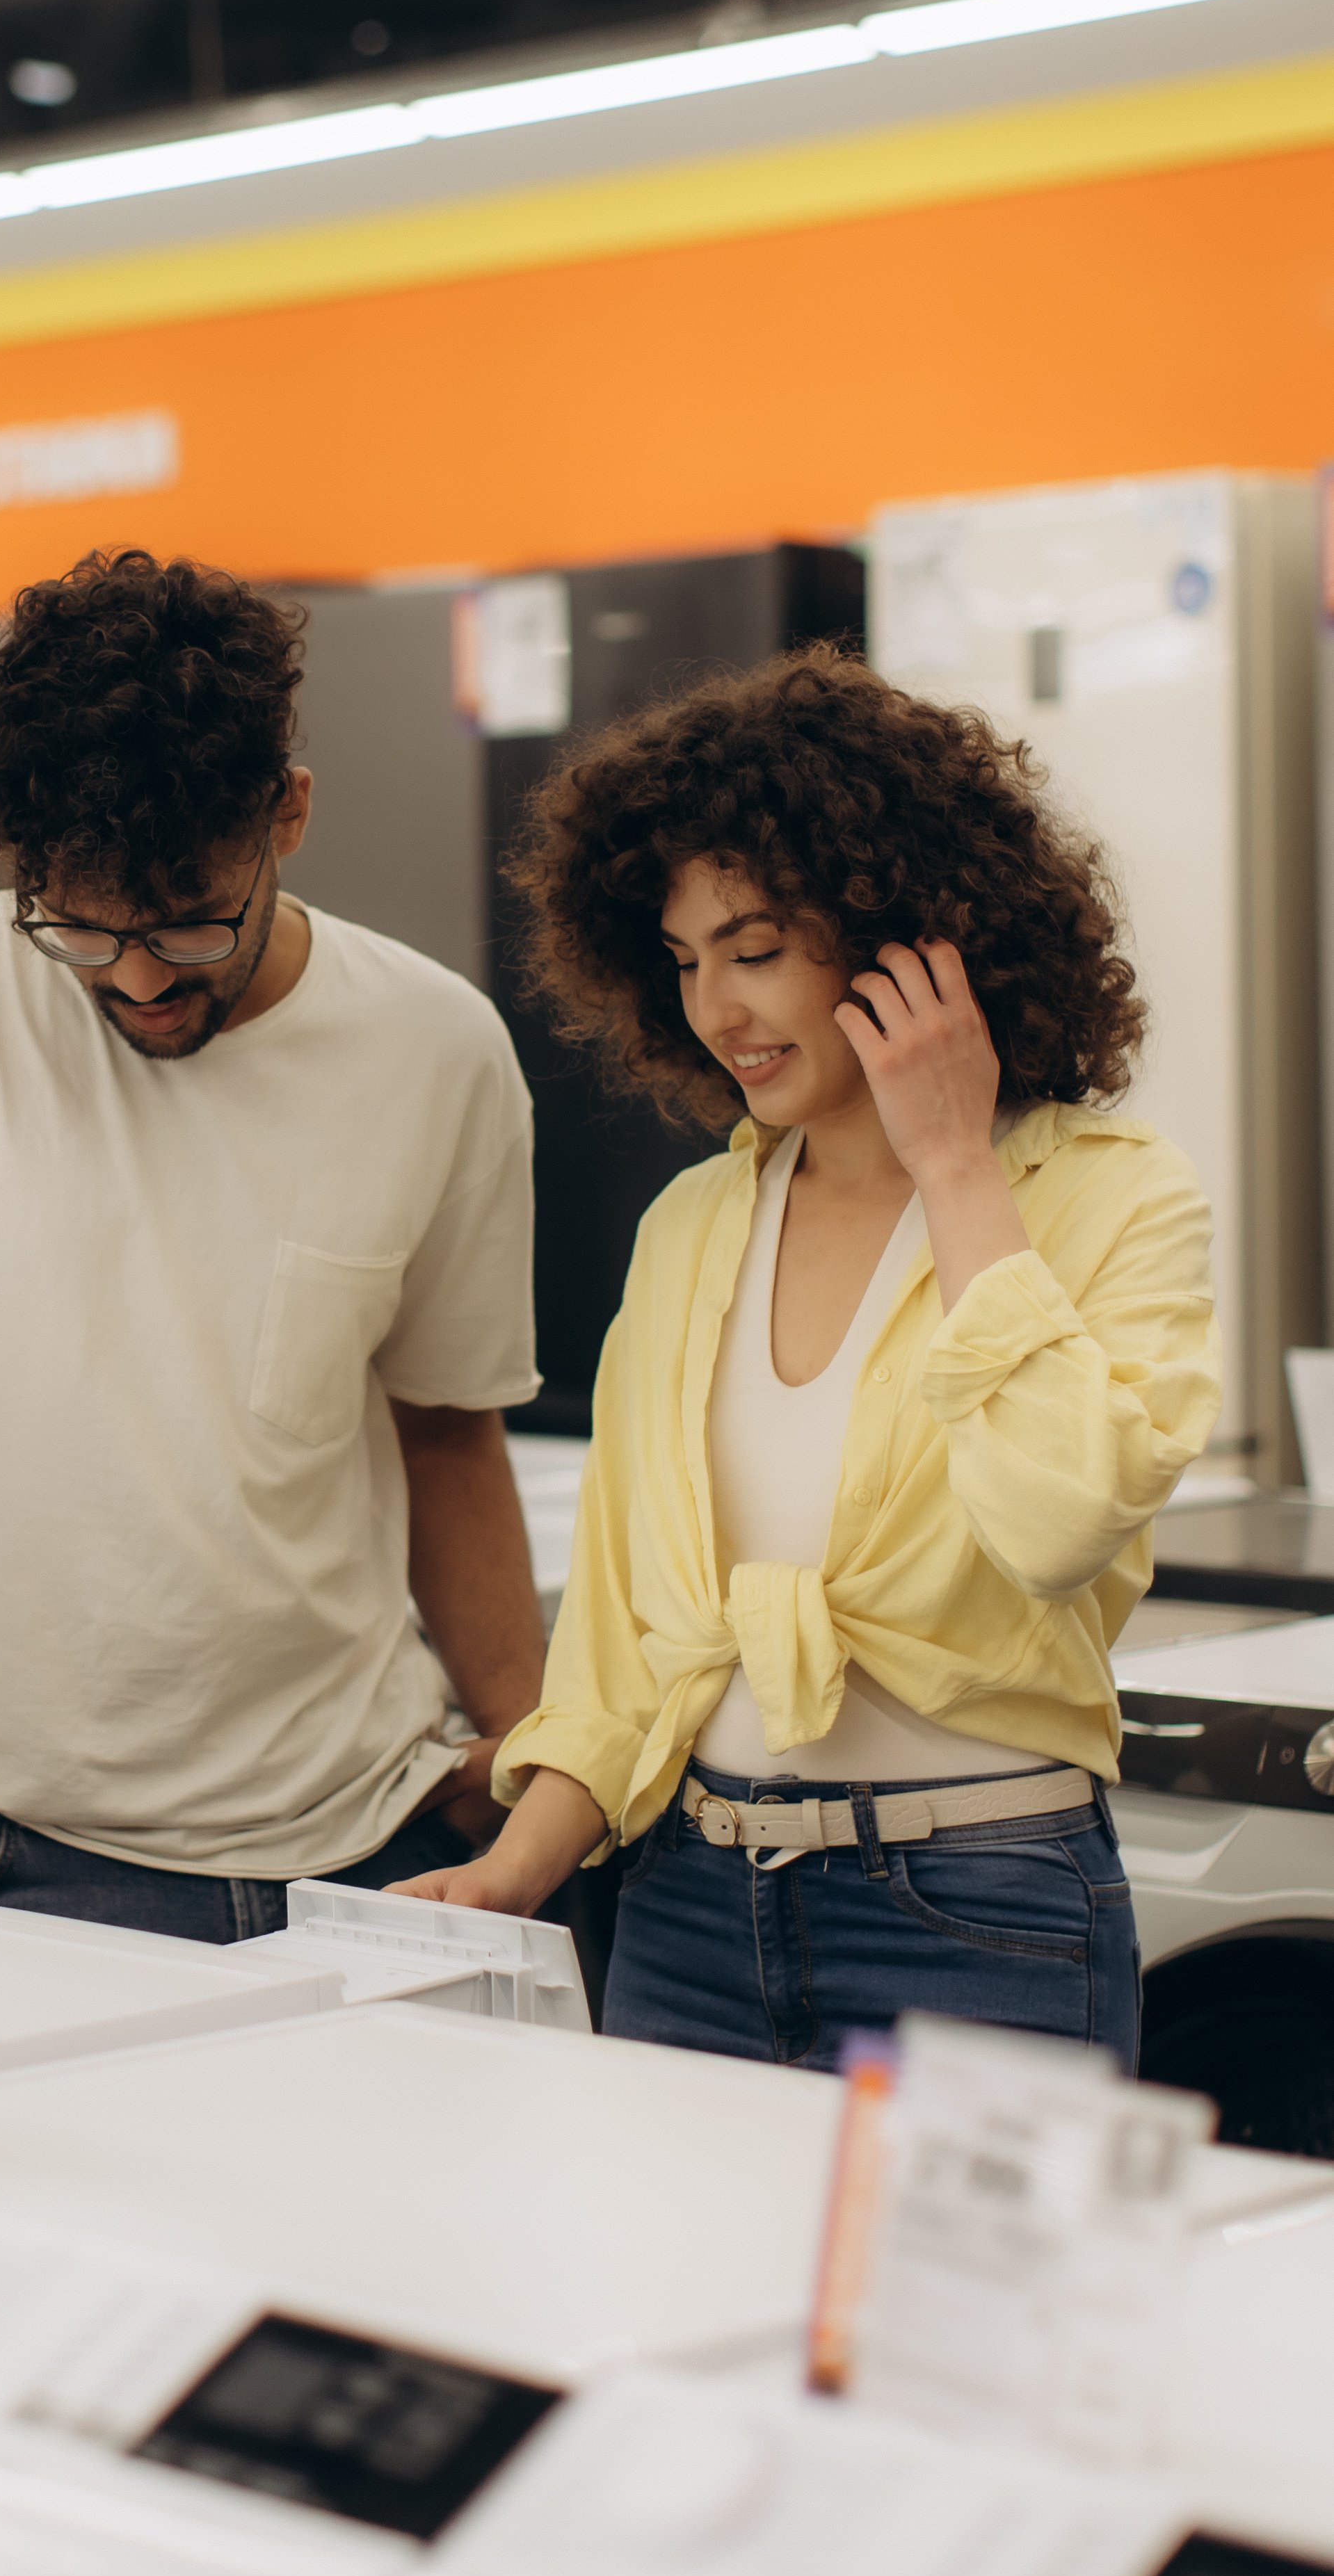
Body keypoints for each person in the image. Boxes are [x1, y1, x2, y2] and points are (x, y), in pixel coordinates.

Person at [0, 549, 547, 1939]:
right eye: (80, 927)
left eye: (188, 921)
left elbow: (446, 1436)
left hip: (364, 1837)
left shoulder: (436, 1049)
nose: (135, 976)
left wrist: (533, 1746)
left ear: (287, 815)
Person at [394, 646, 1220, 2072]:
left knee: (960, 2310)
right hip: (688, 1903)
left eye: (757, 948)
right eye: (685, 959)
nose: (716, 1007)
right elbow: (623, 1637)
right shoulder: (693, 1222)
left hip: (978, 1913)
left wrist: (955, 1162)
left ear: (904, 932)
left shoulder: (1113, 1194)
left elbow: (1059, 1520)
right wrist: (516, 1869)